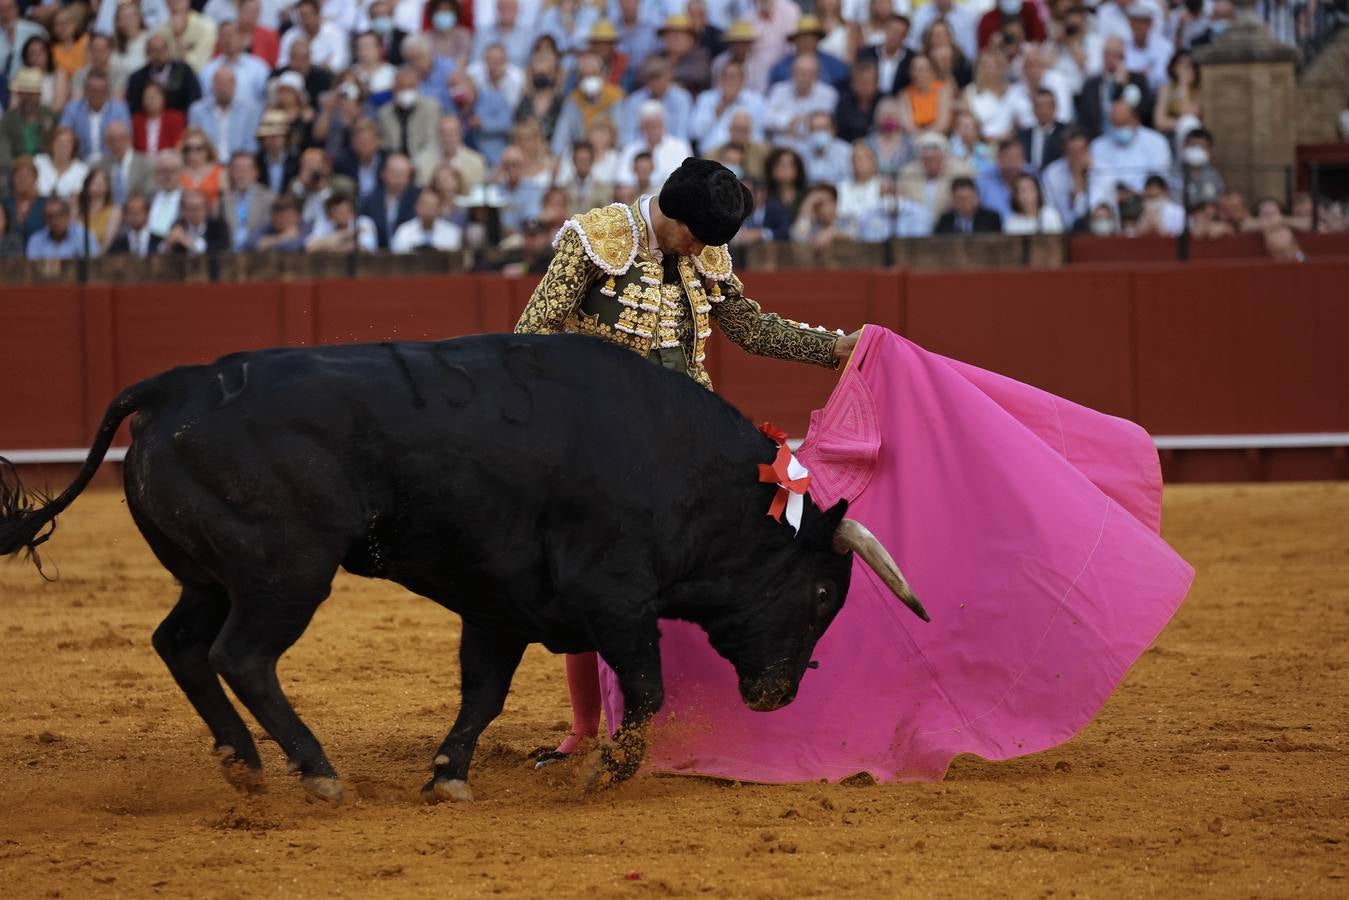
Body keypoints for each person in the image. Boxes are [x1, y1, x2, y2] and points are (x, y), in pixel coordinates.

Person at [514, 157, 860, 768]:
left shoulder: (705, 250)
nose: (701, 249)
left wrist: (831, 348)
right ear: (670, 214)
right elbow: (531, 339)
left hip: (688, 443)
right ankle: (586, 727)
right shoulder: (593, 240)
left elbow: (748, 328)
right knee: (598, 578)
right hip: (603, 446)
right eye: (695, 236)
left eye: (711, 242)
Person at [127, 33, 201, 113]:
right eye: (154, 50)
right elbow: (134, 107)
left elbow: (194, 99)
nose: (159, 54)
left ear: (168, 51)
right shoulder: (137, 78)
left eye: (162, 49)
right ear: (147, 53)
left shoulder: (184, 71)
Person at [0, 68, 59, 168]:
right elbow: (4, 151)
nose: (28, 98)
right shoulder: (8, 119)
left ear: (39, 94)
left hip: (47, 168)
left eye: (32, 94)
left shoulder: (51, 116)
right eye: (24, 93)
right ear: (19, 94)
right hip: (16, 169)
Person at [357, 152, 418, 249]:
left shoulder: (418, 199)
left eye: (403, 174)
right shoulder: (370, 200)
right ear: (383, 173)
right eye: (395, 173)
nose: (399, 179)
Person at [221, 151, 274, 252]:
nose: (241, 174)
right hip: (230, 256)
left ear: (256, 172)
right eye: (237, 169)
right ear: (231, 172)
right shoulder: (224, 200)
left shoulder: (269, 198)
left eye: (246, 169)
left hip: (259, 256)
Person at [391, 187, 463, 252]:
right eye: (425, 205)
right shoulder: (404, 231)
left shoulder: (453, 232)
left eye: (432, 206)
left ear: (439, 208)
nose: (428, 209)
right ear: (416, 206)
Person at [896, 52, 952, 135]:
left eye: (922, 70)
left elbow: (942, 123)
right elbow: (907, 125)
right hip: (913, 138)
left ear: (932, 72)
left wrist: (925, 135)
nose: (917, 74)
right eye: (914, 69)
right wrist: (920, 136)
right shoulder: (904, 94)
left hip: (937, 136)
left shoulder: (942, 90)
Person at [161, 188, 230, 254]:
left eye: (198, 208)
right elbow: (161, 250)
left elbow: (222, 248)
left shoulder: (217, 226)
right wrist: (168, 244)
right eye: (190, 209)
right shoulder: (178, 225)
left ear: (207, 208)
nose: (194, 213)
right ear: (183, 210)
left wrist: (187, 241)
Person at [27, 196, 99, 259]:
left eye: (59, 215)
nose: (54, 220)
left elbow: (94, 265)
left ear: (68, 215)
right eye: (49, 217)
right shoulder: (36, 240)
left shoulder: (85, 237)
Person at [305, 192, 378, 252]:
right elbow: (310, 247)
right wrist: (347, 234)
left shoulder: (364, 222)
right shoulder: (324, 223)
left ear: (352, 212)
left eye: (344, 211)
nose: (341, 215)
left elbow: (367, 249)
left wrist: (328, 246)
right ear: (330, 215)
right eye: (337, 212)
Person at [35, 126, 90, 201]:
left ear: (74, 147)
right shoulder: (38, 162)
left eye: (67, 144)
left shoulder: (83, 170)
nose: (62, 147)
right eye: (59, 143)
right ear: (51, 144)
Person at [132, 81, 187, 154]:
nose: (150, 101)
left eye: (154, 97)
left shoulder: (175, 118)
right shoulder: (136, 120)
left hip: (168, 161)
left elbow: (178, 145)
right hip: (142, 162)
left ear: (163, 98)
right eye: (147, 97)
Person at [935, 176, 1003, 233]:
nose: (965, 203)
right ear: (953, 201)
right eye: (960, 199)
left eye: (969, 198)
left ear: (977, 198)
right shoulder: (945, 220)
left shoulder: (991, 218)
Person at [80, 167, 123, 249]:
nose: (98, 186)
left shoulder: (114, 211)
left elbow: (107, 242)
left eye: (102, 183)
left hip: (102, 257)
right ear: (87, 186)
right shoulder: (79, 210)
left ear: (107, 187)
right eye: (95, 183)